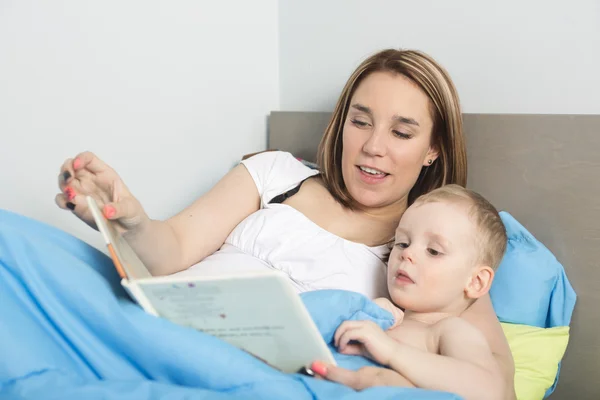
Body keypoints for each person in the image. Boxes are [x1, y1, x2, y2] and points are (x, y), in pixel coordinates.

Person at [55, 49, 514, 396]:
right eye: (361, 121)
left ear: (433, 149)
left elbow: (496, 384)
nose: (373, 146)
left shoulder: (435, 253)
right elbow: (169, 249)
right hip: (156, 321)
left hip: (235, 370)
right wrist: (124, 218)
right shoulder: (277, 173)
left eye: (401, 132)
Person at [310, 185, 509, 400]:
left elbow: (488, 389)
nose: (408, 254)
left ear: (476, 282)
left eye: (433, 251)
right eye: (402, 243)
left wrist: (391, 352)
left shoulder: (449, 330)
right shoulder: (384, 313)